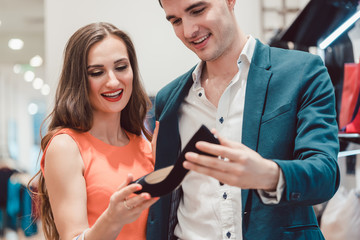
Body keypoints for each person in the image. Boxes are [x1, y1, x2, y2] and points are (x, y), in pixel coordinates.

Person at [147, 0, 340, 239]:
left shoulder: (303, 72)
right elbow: (169, 199)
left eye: (197, 11)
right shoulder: (169, 99)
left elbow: (325, 175)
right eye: (175, 20)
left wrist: (269, 174)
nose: (188, 31)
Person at [31, 22, 158, 240]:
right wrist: (113, 219)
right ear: (79, 80)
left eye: (121, 67)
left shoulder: (145, 146)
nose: (113, 81)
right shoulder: (66, 147)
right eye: (97, 72)